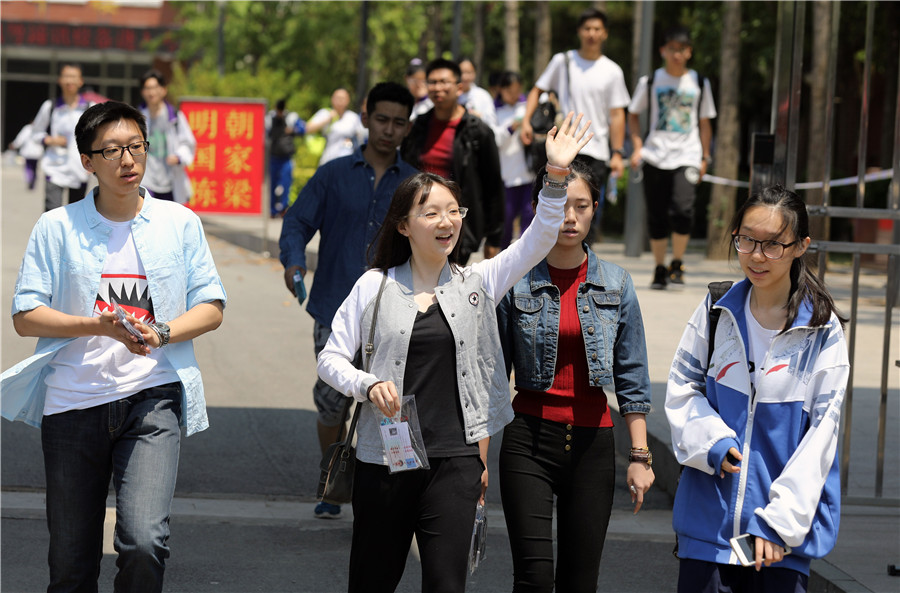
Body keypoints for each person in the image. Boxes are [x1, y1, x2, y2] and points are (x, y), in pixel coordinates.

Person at [317, 113, 592, 593]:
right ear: (404, 225)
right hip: (384, 457)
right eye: (431, 213)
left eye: (454, 211)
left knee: (447, 584)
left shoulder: (479, 283)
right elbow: (331, 358)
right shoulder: (374, 286)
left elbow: (538, 239)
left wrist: (556, 176)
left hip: (456, 462)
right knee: (371, 580)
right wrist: (366, 383)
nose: (446, 222)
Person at [0, 101, 227, 592]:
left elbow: (211, 305)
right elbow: (24, 316)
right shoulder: (57, 227)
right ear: (88, 162)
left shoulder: (179, 222)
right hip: (73, 403)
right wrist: (95, 325)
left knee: (144, 542)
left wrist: (163, 332)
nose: (128, 160)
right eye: (112, 150)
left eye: (135, 147)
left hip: (152, 398)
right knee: (70, 561)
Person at [665, 185, 848, 592]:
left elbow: (822, 437)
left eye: (773, 245)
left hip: (777, 544)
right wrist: (711, 441)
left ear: (801, 246)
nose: (756, 255)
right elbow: (681, 387)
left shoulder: (823, 331)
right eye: (746, 240)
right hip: (706, 534)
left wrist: (778, 524)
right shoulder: (716, 310)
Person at [496, 158, 655, 592]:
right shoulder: (515, 280)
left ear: (595, 209)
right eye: (561, 205)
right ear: (539, 207)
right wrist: (477, 455)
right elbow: (493, 377)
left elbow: (632, 374)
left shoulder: (616, 283)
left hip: (592, 444)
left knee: (580, 581)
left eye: (581, 206)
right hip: (527, 439)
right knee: (533, 577)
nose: (570, 217)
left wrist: (640, 456)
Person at [279, 82, 417, 519]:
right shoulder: (333, 174)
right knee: (332, 399)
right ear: (365, 118)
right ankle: (332, 475)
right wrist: (293, 262)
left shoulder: (415, 183)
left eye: (398, 123)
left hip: (397, 311)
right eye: (381, 120)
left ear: (407, 127)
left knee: (394, 399)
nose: (388, 130)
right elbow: (298, 222)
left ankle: (394, 485)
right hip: (334, 305)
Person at [521, 7, 630, 233]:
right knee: (555, 206)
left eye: (597, 29)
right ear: (580, 31)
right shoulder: (563, 61)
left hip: (597, 150)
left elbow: (617, 114)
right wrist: (526, 123)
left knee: (587, 212)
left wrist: (617, 152)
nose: (592, 33)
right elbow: (536, 90)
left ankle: (582, 264)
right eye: (587, 28)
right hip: (564, 149)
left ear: (604, 33)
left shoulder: (612, 71)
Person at [628, 26, 716, 289]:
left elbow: (704, 123)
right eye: (672, 49)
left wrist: (705, 157)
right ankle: (658, 267)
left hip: (687, 155)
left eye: (681, 50)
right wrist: (637, 147)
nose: (676, 54)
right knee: (656, 215)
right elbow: (634, 114)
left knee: (683, 210)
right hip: (655, 155)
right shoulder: (651, 82)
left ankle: (677, 262)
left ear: (688, 52)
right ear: (663, 51)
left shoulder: (699, 83)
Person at [401, 58, 506, 264]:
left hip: (457, 228)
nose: (437, 88)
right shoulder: (417, 128)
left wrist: (494, 236)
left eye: (443, 82)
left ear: (459, 87)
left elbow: (493, 185)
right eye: (432, 82)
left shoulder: (477, 132)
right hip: (418, 224)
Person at [30, 63, 93, 211]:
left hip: (80, 169)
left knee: (76, 216)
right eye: (66, 76)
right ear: (59, 80)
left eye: (73, 77)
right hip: (54, 168)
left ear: (80, 81)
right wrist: (50, 140)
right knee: (52, 213)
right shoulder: (50, 107)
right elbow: (35, 133)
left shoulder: (90, 108)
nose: (69, 81)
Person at [138, 69, 197, 204]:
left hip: (170, 179)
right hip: (147, 179)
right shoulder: (138, 117)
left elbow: (188, 143)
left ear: (163, 90)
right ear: (142, 92)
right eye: (147, 88)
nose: (151, 92)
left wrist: (178, 156)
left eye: (154, 88)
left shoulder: (175, 116)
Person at [491, 70, 535, 248]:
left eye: (518, 91)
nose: (515, 95)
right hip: (506, 175)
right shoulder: (494, 110)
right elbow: (494, 140)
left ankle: (526, 257)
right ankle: (504, 257)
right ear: (501, 89)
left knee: (528, 217)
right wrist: (511, 128)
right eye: (510, 91)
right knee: (506, 220)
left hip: (528, 172)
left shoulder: (526, 108)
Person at [266, 98, 306, 217]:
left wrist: (292, 130)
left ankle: (283, 208)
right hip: (273, 157)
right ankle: (272, 210)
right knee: (272, 184)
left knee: (286, 184)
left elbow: (303, 129)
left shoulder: (291, 118)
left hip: (286, 158)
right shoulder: (270, 118)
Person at [306, 88, 366, 166]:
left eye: (343, 98)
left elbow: (361, 137)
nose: (340, 100)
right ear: (332, 99)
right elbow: (307, 129)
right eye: (337, 98)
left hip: (348, 162)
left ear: (348, 100)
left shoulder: (352, 117)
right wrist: (328, 119)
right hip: (328, 160)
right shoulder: (325, 113)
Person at [458, 57, 498, 126]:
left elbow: (492, 122)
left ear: (475, 73)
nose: (465, 77)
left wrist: (479, 117)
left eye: (469, 72)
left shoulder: (483, 95)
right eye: (462, 72)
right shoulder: (451, 95)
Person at [10, 120, 44, 190]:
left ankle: (29, 180)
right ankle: (33, 183)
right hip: (37, 153)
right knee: (34, 169)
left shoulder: (27, 129)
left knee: (28, 167)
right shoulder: (40, 129)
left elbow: (21, 138)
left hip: (28, 152)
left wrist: (14, 145)